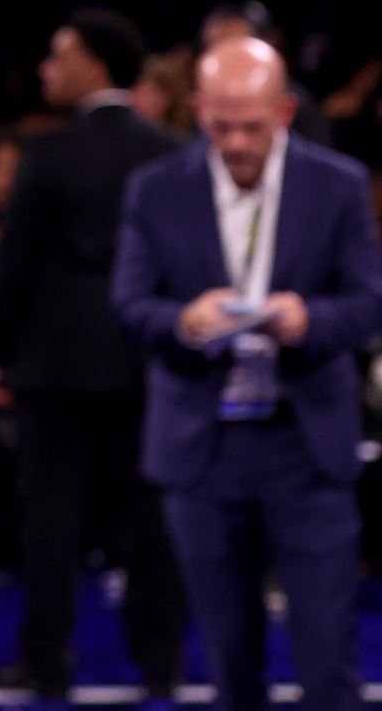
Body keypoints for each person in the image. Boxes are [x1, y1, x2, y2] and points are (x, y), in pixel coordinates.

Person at [113, 37, 382, 711]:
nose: (235, 141)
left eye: (251, 126)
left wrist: (308, 320)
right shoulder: (155, 189)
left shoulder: (338, 184)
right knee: (231, 668)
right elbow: (129, 305)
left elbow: (369, 302)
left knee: (328, 665)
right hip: (203, 453)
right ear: (198, 109)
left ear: (285, 111)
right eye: (220, 123)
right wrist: (185, 323)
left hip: (306, 448)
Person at [0, 10, 185, 699]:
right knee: (149, 518)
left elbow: (15, 268)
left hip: (55, 364)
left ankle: (47, 664)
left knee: (51, 519)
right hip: (146, 360)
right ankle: (160, 663)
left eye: (58, 55)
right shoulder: (170, 152)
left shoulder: (47, 153)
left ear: (95, 67)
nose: (46, 67)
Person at [198, 1, 331, 146]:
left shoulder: (295, 103)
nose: (237, 145)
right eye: (216, 47)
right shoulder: (193, 98)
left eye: (253, 127)